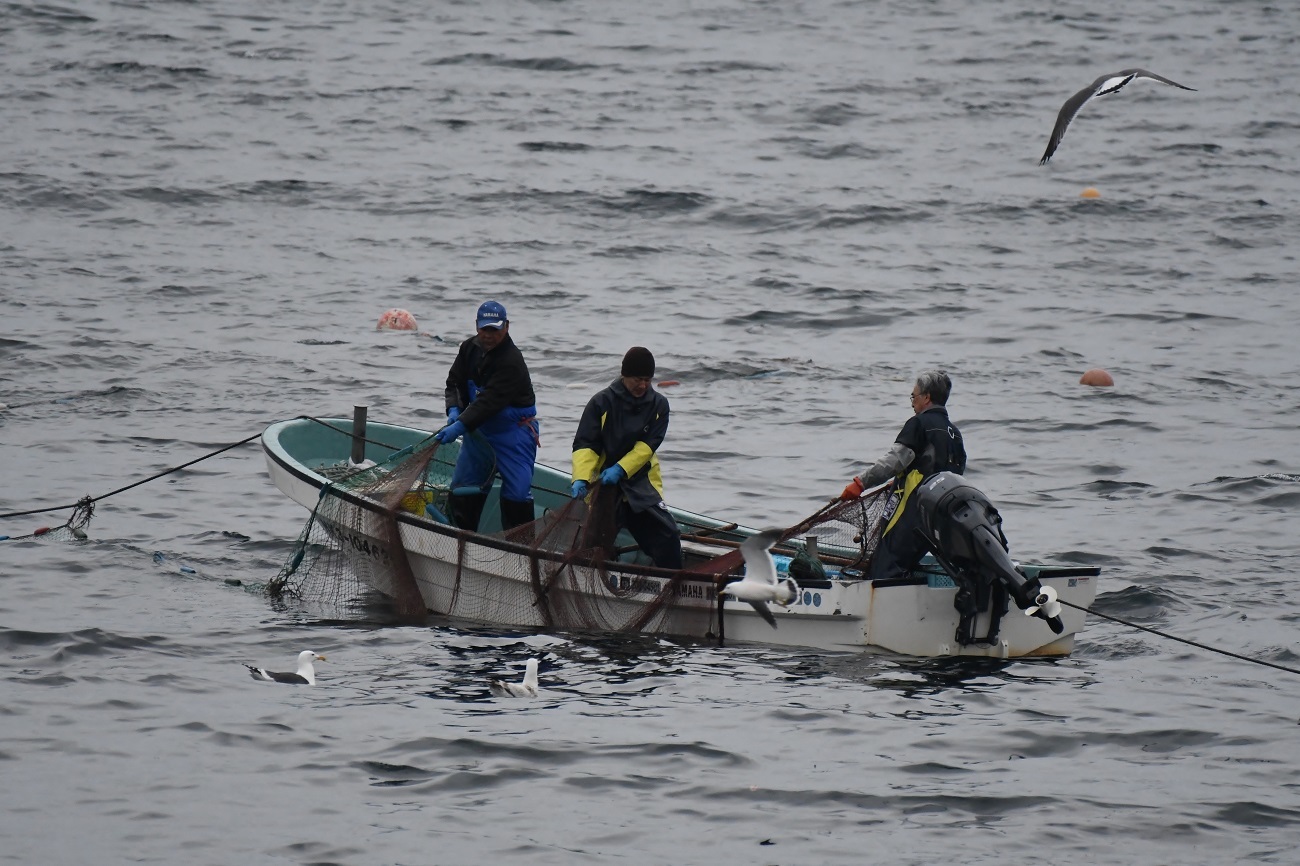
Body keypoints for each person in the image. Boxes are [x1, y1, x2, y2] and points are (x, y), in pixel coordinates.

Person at [839, 369, 966, 581]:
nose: (912, 401)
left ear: (926, 398)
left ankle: (887, 606)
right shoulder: (954, 433)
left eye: (914, 396)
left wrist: (860, 483)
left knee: (887, 564)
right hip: (940, 516)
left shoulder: (918, 424)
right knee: (908, 560)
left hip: (911, 510)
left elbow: (894, 460)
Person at [570, 347, 683, 570]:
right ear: (625, 376)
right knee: (594, 546)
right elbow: (586, 445)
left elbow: (646, 448)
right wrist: (580, 478)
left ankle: (672, 582)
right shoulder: (601, 402)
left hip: (641, 484)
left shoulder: (659, 405)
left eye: (647, 380)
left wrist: (621, 469)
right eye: (637, 379)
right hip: (604, 485)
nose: (642, 385)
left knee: (668, 535)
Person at [434, 300, 539, 532]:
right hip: (477, 432)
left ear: (507, 327)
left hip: (514, 434)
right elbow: (455, 384)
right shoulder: (468, 349)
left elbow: (487, 404)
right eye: (485, 329)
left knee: (518, 493)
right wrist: (453, 410)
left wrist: (458, 426)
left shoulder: (512, 361)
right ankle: (458, 541)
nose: (489, 335)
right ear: (476, 326)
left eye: (495, 329)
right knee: (463, 488)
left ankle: (519, 554)